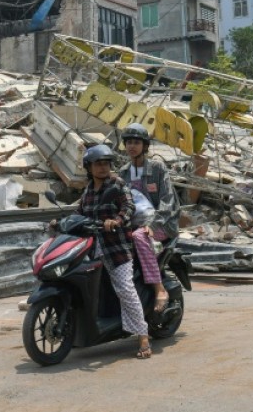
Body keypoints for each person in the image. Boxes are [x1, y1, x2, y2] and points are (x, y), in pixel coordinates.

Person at [74, 145, 152, 359]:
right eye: (98, 164)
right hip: (92, 248)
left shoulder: (117, 184)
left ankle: (143, 336)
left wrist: (115, 221)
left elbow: (128, 208)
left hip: (116, 247)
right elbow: (78, 212)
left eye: (106, 163)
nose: (102, 167)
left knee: (125, 288)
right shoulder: (88, 190)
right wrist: (61, 222)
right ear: (88, 167)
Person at [118, 123, 180, 317]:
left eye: (136, 142)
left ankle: (158, 288)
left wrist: (153, 225)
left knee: (139, 236)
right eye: (128, 142)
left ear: (145, 146)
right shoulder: (123, 172)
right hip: (134, 223)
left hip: (162, 224)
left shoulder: (157, 168)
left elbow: (168, 200)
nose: (131, 146)